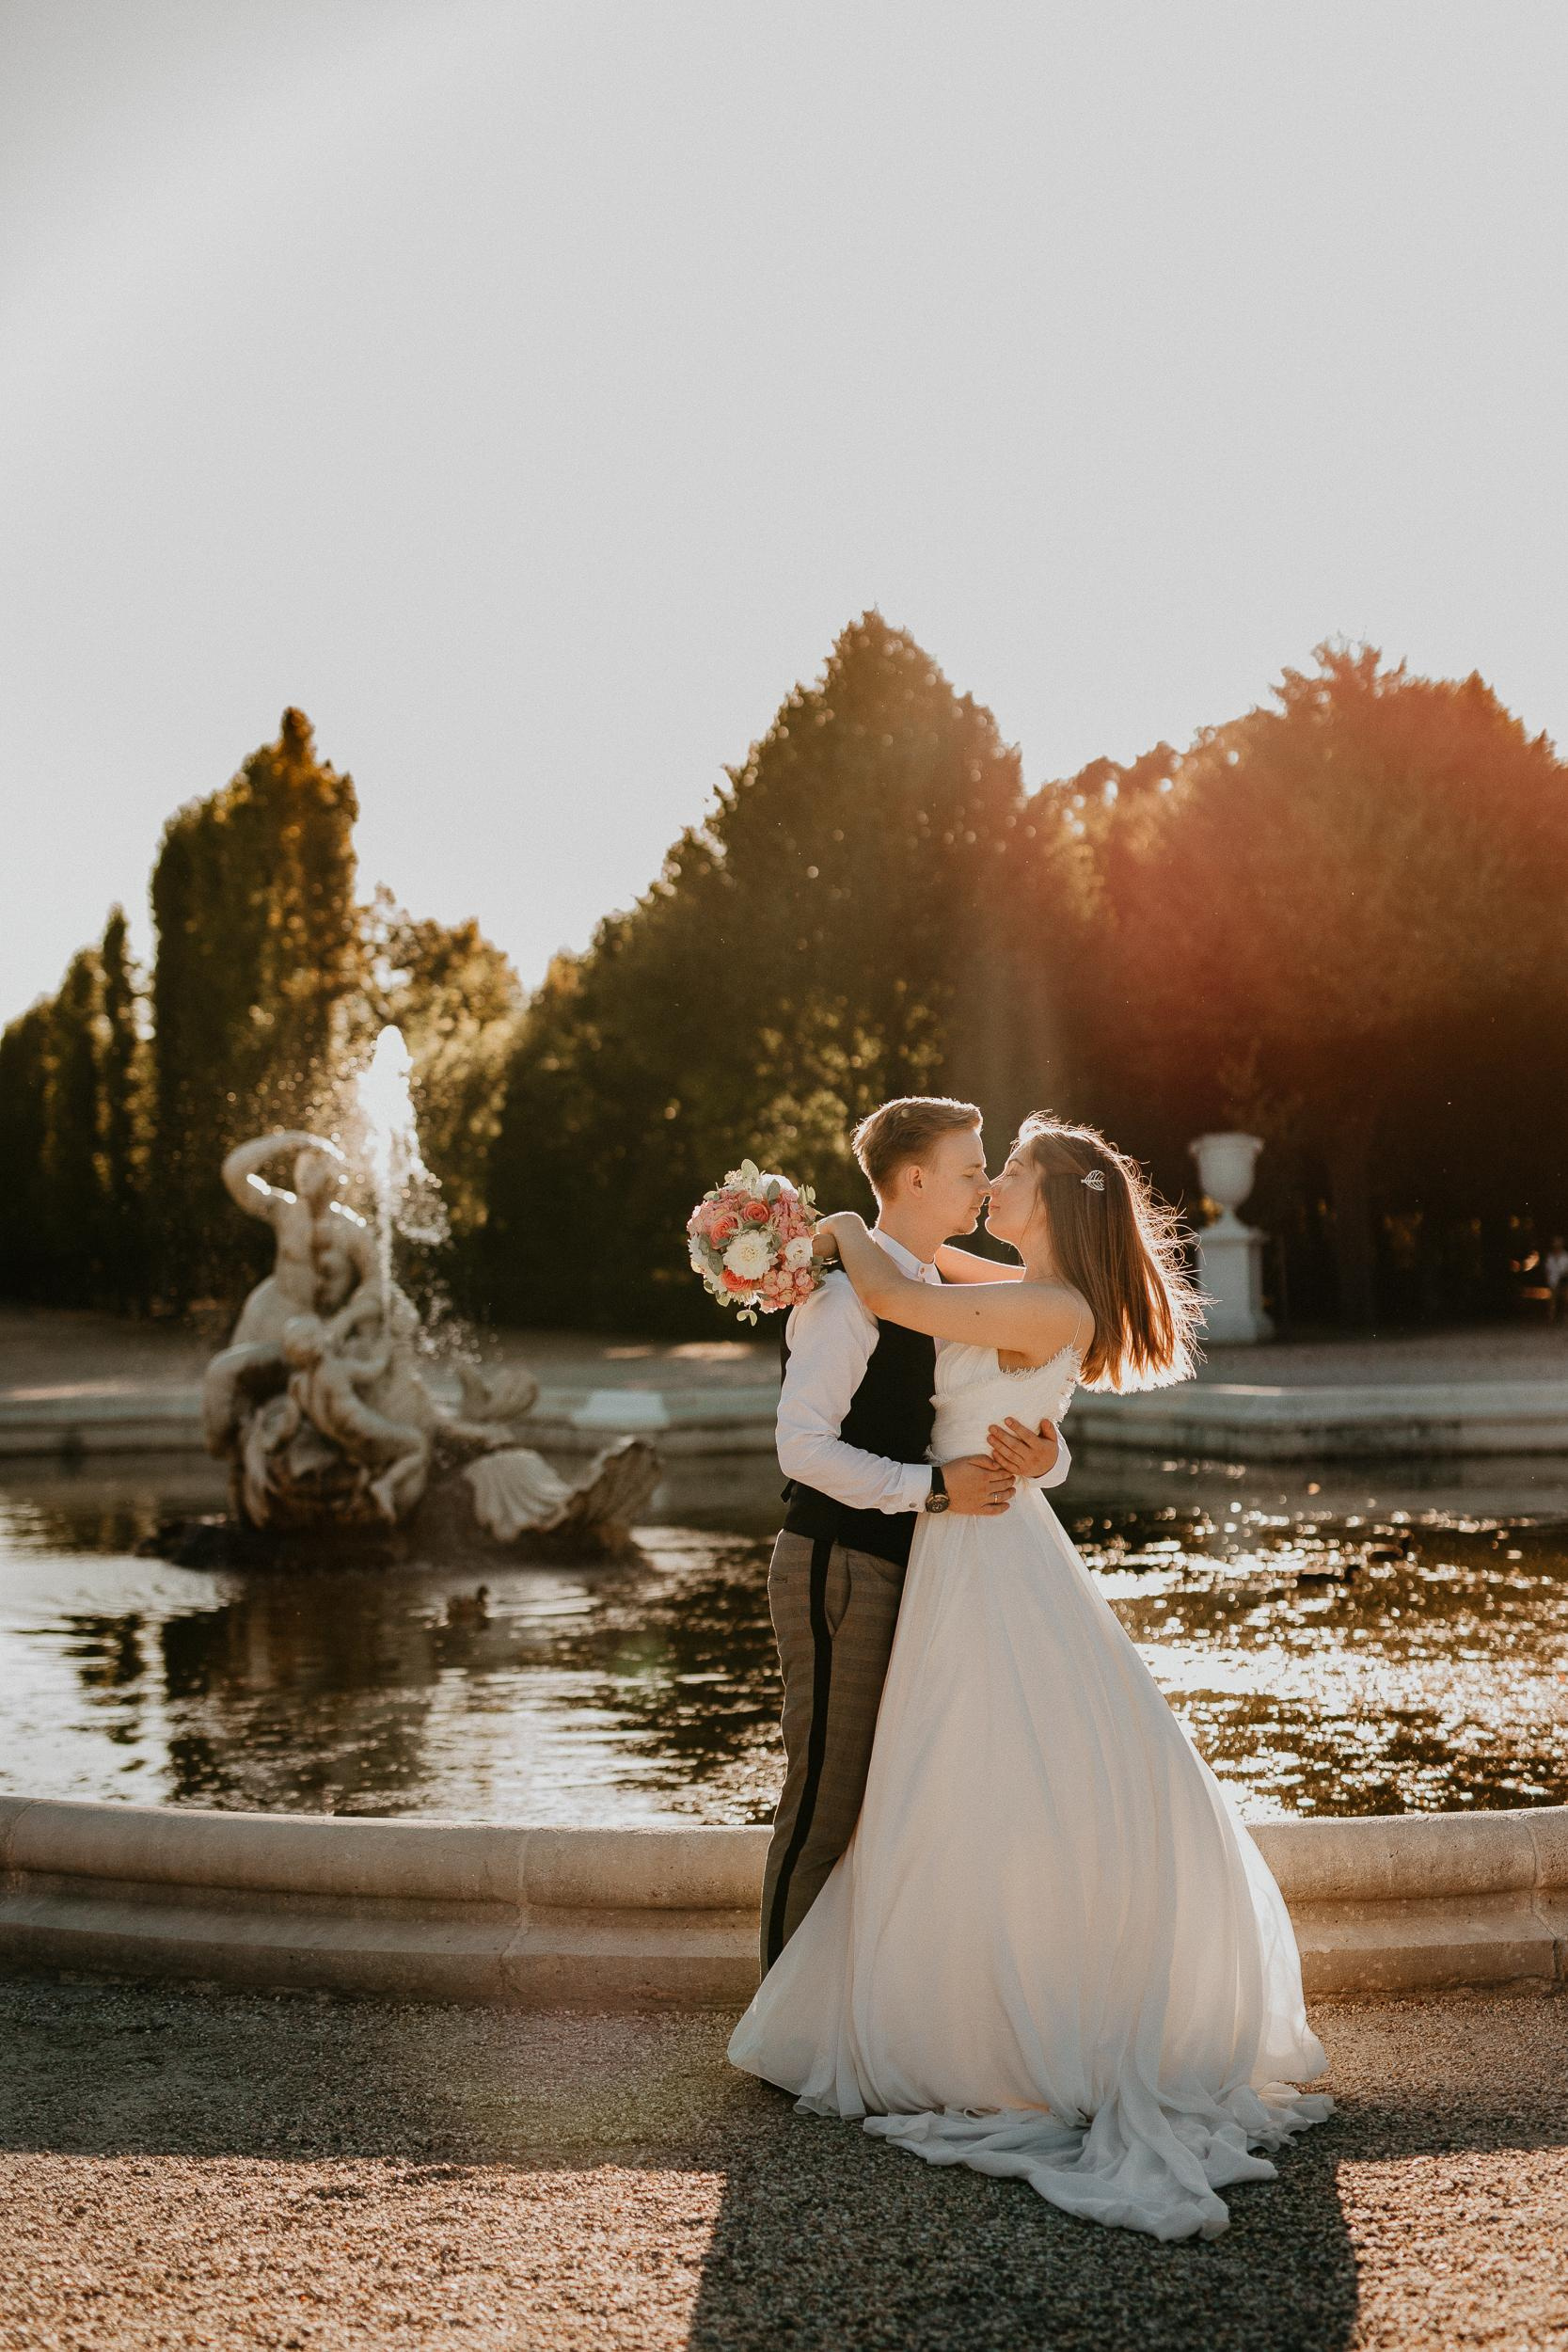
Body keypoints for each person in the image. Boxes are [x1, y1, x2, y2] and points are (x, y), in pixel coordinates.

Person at [731, 1112, 1331, 2242]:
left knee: (981, 1766)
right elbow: (916, 1277)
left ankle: (975, 2014)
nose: (990, 1181)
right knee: (949, 1776)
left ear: (1053, 1198)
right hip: (952, 1538)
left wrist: (841, 1219)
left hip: (979, 1545)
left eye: (1006, 1171)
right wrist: (1037, 1443)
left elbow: (906, 1293)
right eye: (977, 1166)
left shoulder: (1048, 1301)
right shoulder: (1012, 1281)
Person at [762, 1095, 1070, 1976]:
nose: (982, 1184)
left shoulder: (930, 1287)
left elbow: (989, 1410)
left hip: (914, 1567)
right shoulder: (842, 1301)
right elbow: (802, 1448)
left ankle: (840, 2008)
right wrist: (932, 1491)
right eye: (971, 1169)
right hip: (838, 1566)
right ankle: (780, 2015)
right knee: (823, 1798)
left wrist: (1042, 1452)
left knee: (884, 1801)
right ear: (915, 1178)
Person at [1544, 1235, 1568, 1325]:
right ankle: (1551, 1318)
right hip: (1553, 1280)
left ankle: (1565, 1317)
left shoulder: (1565, 1256)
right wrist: (1548, 1278)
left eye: (1559, 1242)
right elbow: (1547, 1269)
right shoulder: (1550, 1256)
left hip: (1564, 1280)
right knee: (1552, 1300)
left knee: (1565, 1299)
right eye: (1555, 1242)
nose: (1557, 1244)